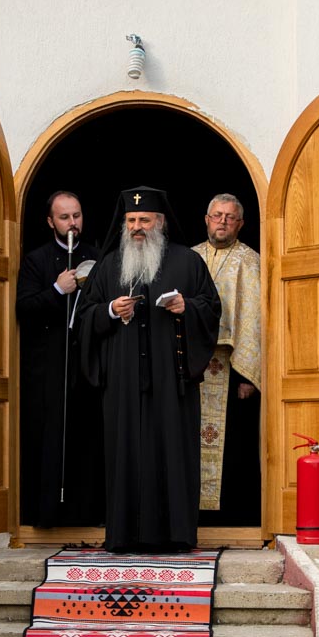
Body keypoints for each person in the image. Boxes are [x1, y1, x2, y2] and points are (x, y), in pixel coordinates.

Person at [76, 186, 222, 553]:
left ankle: (176, 535)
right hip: (122, 384)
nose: (137, 227)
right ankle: (123, 535)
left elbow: (211, 308)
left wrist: (186, 306)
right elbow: (85, 318)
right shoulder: (110, 265)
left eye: (144, 220)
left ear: (160, 222)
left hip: (172, 383)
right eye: (131, 220)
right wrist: (110, 311)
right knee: (125, 454)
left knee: (171, 453)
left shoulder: (188, 262)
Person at [15, 190, 105, 527]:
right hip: (48, 366)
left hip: (86, 362)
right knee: (49, 437)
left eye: (77, 216)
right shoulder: (36, 260)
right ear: (51, 221)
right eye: (65, 217)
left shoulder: (98, 256)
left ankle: (87, 513)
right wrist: (57, 290)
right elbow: (23, 307)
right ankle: (47, 515)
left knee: (87, 437)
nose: (72, 224)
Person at [192, 193, 263, 526]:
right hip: (193, 365)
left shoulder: (250, 261)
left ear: (241, 224)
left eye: (230, 217)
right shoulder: (189, 258)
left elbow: (254, 318)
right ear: (207, 219)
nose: (222, 221)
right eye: (217, 215)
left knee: (233, 446)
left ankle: (230, 519)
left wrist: (248, 375)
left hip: (231, 365)